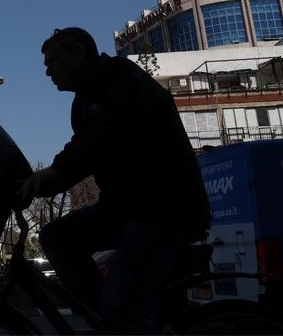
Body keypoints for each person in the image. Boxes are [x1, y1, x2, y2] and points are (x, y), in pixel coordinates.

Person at [19, 27, 210, 334]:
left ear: (79, 52)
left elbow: (105, 136)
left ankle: (120, 316)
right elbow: (82, 148)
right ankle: (110, 318)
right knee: (56, 237)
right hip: (125, 208)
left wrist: (54, 173)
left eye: (53, 61)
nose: (48, 71)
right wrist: (45, 183)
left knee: (123, 303)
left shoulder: (121, 78)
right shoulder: (83, 102)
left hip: (163, 206)